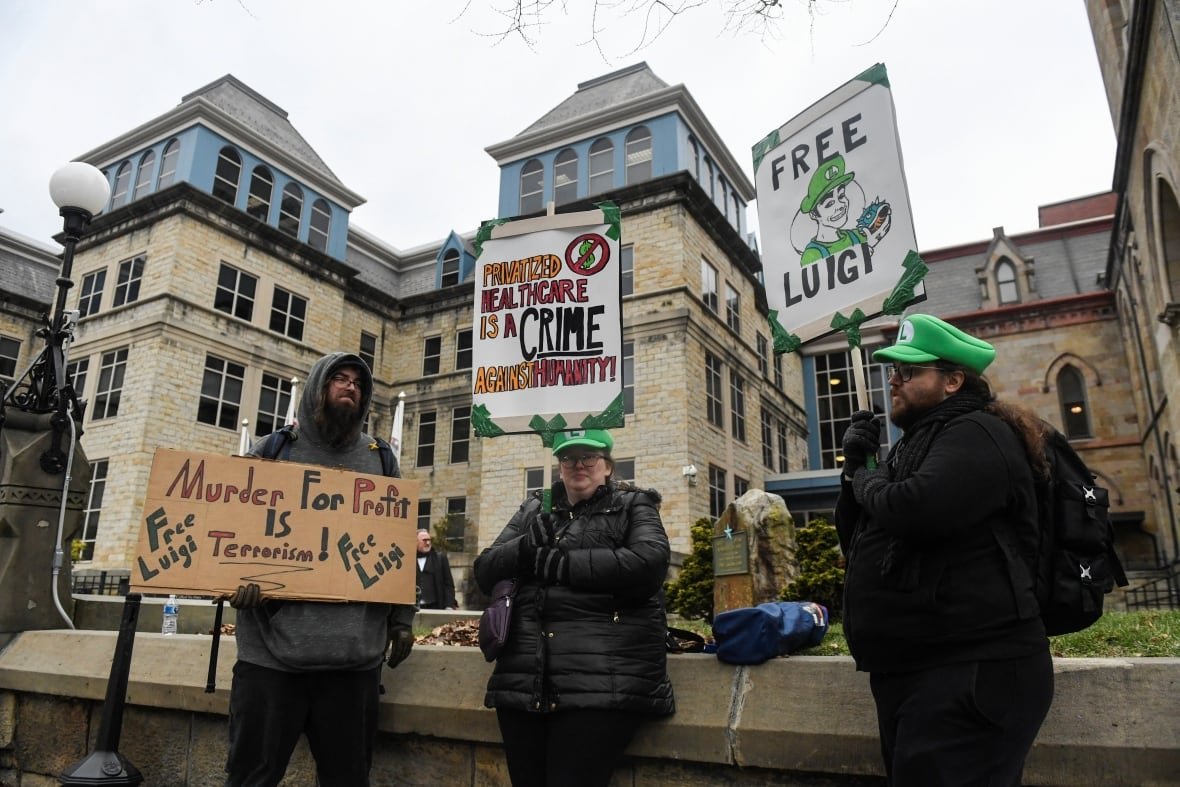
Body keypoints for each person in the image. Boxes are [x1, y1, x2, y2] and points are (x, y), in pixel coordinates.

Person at [836, 314, 1054, 786]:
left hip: (972, 669)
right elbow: (858, 537)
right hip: (918, 669)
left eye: (909, 371)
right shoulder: (918, 445)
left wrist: (868, 478)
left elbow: (915, 510)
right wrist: (855, 466)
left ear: (954, 380)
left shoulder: (978, 433)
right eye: (893, 370)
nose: (893, 379)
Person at [224, 352, 416, 787]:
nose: (350, 387)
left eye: (357, 383)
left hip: (354, 663)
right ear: (316, 388)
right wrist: (234, 582)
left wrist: (403, 620)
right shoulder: (272, 451)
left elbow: (397, 546)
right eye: (339, 379)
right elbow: (230, 536)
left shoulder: (381, 459)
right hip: (270, 662)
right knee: (251, 778)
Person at [473, 428, 674, 786]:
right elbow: (485, 570)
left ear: (607, 467)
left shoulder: (634, 505)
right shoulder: (535, 508)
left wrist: (564, 566)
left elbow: (649, 563)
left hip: (601, 679)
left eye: (589, 457)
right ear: (559, 466)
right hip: (525, 681)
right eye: (568, 458)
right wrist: (523, 546)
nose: (578, 465)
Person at [416, 529, 457, 609]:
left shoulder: (440, 559)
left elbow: (448, 584)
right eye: (424, 540)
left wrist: (449, 605)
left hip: (435, 606)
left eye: (429, 540)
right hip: (413, 607)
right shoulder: (407, 559)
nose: (428, 543)